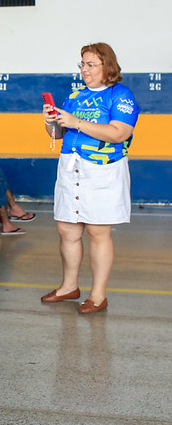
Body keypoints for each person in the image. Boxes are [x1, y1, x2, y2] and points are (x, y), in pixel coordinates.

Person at [41, 42, 139, 314]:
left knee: (98, 232)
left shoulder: (120, 95)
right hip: (70, 167)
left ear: (107, 66)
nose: (84, 69)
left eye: (90, 64)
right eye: (82, 64)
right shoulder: (74, 96)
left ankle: (98, 295)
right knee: (67, 230)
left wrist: (77, 123)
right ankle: (69, 286)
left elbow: (119, 133)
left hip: (102, 170)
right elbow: (58, 134)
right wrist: (51, 121)